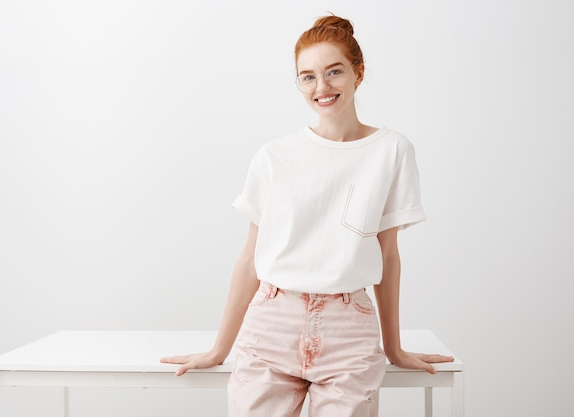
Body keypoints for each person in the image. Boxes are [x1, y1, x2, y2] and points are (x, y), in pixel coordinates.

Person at [160, 14, 454, 417]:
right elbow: (250, 259)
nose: (322, 87)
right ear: (298, 83)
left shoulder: (392, 150)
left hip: (349, 329)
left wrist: (394, 348)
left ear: (358, 73)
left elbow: (388, 257)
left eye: (334, 72)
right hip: (270, 325)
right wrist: (219, 349)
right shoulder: (274, 156)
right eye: (308, 77)